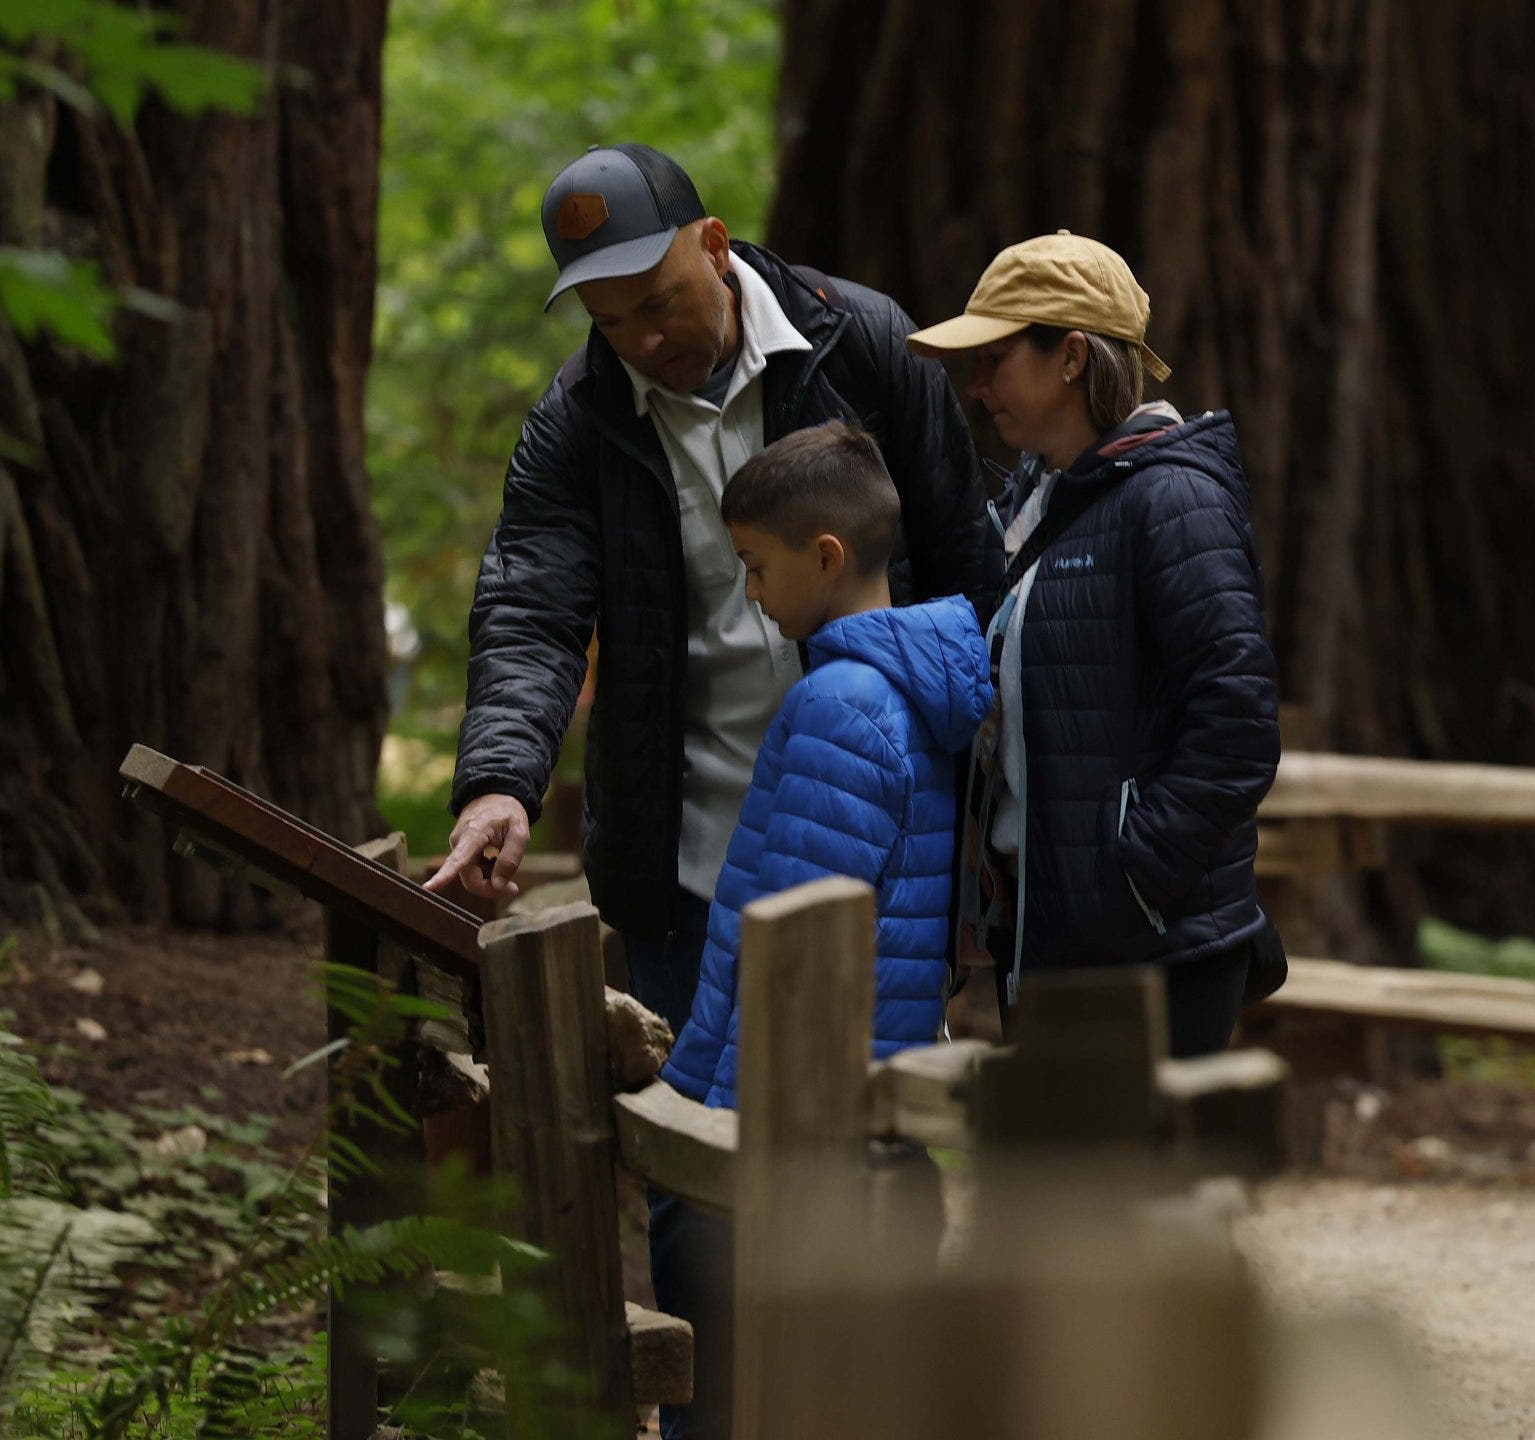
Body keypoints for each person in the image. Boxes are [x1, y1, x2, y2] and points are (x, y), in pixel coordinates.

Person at [427, 143, 999, 1440]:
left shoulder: (870, 347)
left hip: (872, 839)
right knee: (696, 1171)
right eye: (607, 318)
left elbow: (966, 570)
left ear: (717, 249)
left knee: (875, 1149)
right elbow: (527, 613)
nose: (639, 337)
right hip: (687, 854)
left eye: (657, 302)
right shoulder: (577, 426)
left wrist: (981, 827)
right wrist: (501, 787)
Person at [652, 421, 985, 1437]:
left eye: (756, 568)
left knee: (742, 1391)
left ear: (825, 556)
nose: (751, 594)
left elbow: (793, 942)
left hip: (789, 1118)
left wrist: (716, 1122)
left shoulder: (843, 703)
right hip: (862, 1098)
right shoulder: (909, 689)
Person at [908, 231, 1284, 1060]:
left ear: (1071, 357)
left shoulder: (1172, 499)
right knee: (1060, 1191)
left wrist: (1124, 885)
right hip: (1049, 941)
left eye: (996, 359)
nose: (976, 388)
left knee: (1132, 1192)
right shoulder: (1039, 501)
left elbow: (1239, 729)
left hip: (1150, 952)